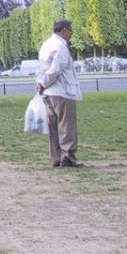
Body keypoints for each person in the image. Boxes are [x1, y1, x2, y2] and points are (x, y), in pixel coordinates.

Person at [35, 18, 84, 168]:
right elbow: (56, 69)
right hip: (62, 92)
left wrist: (41, 83)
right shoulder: (60, 46)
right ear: (64, 30)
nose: (72, 34)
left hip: (49, 93)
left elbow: (42, 68)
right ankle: (68, 157)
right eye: (70, 30)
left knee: (53, 127)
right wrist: (43, 83)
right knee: (67, 126)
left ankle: (55, 158)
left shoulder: (46, 44)